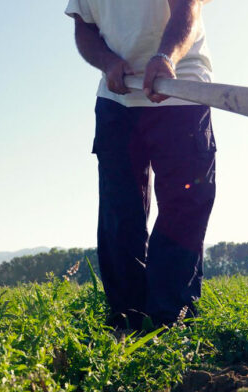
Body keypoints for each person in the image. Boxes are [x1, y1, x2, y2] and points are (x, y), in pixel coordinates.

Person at [66, 0, 216, 329]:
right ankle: (126, 319)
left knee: (185, 201)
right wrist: (108, 62)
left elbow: (186, 8)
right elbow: (84, 27)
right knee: (120, 211)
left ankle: (169, 318)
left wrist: (166, 57)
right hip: (116, 99)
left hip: (180, 89)